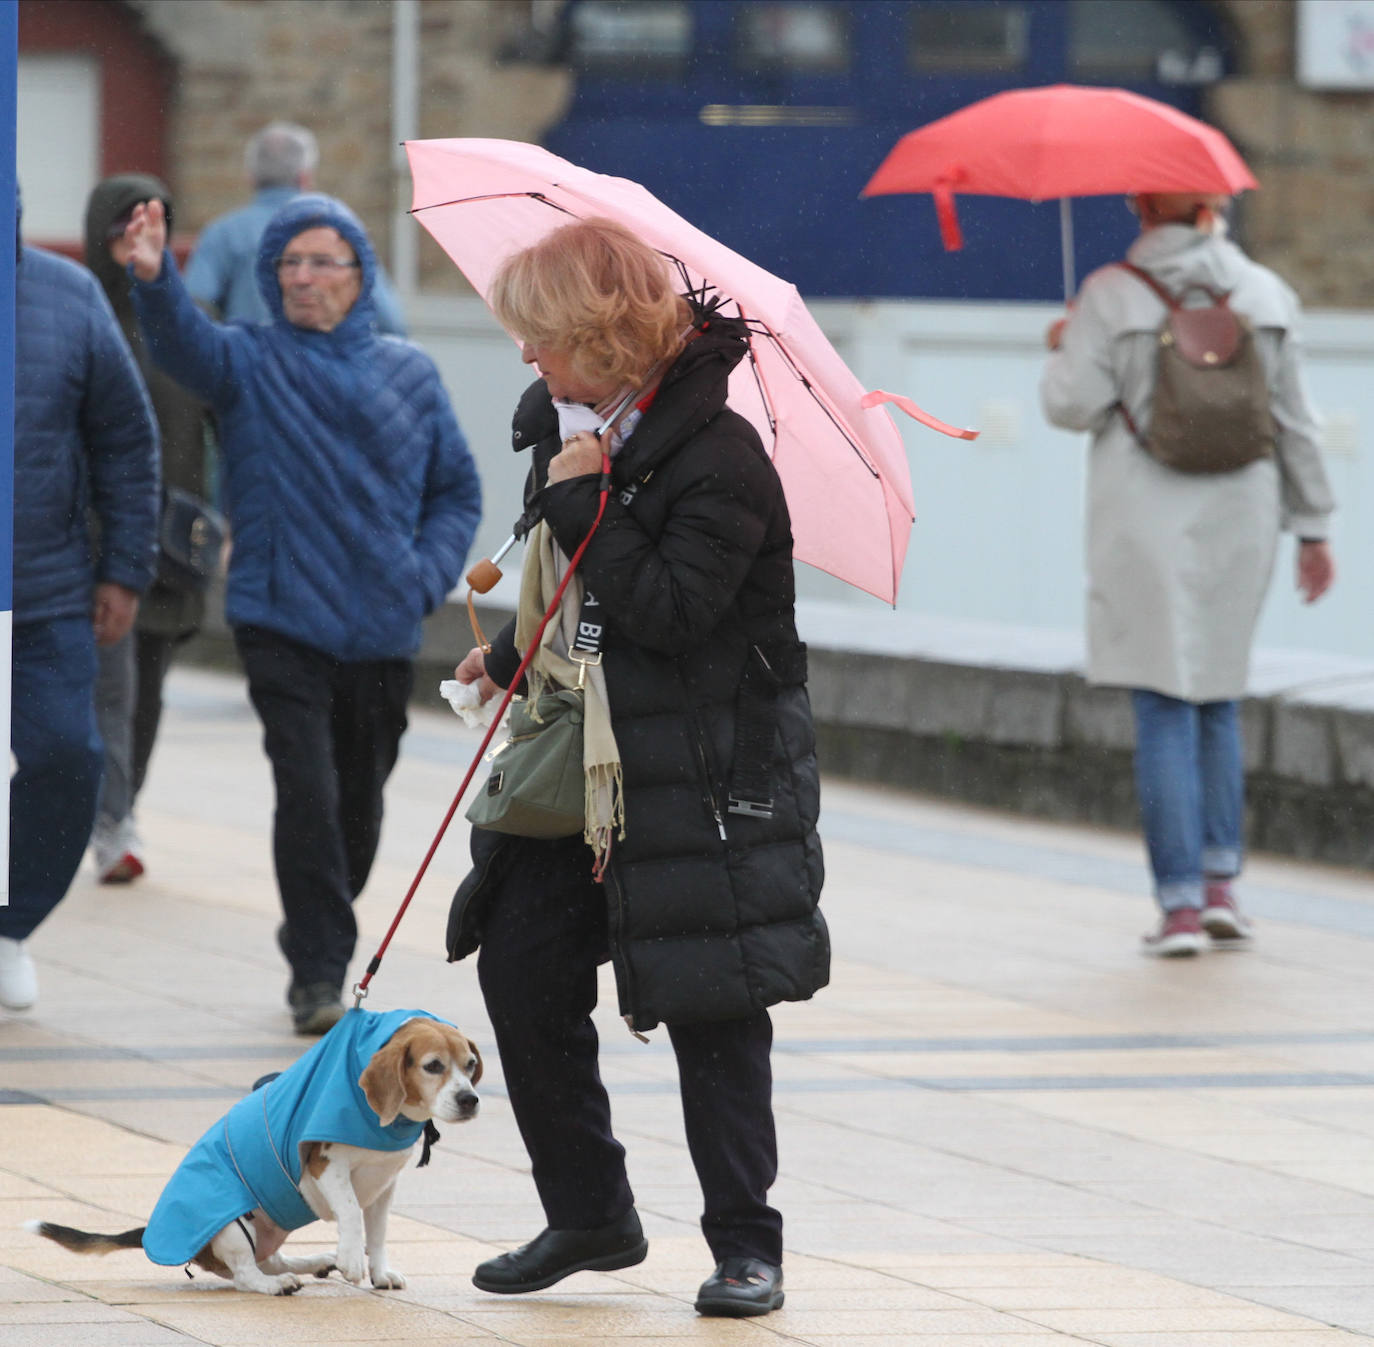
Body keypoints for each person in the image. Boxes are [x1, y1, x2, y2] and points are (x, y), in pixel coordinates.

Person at [446, 219, 827, 1318]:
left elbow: (665, 612)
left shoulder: (720, 458)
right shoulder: (569, 431)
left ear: (599, 333)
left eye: (540, 337)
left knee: (712, 1002)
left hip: (703, 773)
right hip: (582, 766)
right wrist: (513, 652)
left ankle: (748, 1245)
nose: (527, 359)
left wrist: (582, 498)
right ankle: (590, 1212)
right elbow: (581, 609)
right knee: (519, 968)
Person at [124, 191, 481, 1034]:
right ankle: (317, 971)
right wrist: (154, 277)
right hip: (279, 617)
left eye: (324, 262)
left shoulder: (411, 373)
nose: (304, 277)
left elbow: (456, 490)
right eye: (289, 262)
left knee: (358, 804)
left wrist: (424, 575)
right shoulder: (246, 360)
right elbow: (183, 343)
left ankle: (319, 915)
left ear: (361, 277)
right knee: (308, 792)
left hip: (384, 625)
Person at [1041, 191, 1335, 957]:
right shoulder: (1266, 293)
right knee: (1218, 694)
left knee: (1163, 698)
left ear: (1142, 207)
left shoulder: (1109, 293)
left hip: (1144, 517)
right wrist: (1315, 527)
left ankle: (1176, 908)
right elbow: (1295, 418)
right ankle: (1220, 888)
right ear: (1211, 210)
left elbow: (1071, 407)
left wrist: (1066, 342)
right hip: (1245, 509)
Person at [1, 188, 160, 1011]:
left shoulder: (67, 297)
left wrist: (125, 569)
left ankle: (10, 923)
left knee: (71, 757)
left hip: (44, 591)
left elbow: (127, 442)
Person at [84, 173, 215, 884]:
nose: (140, 241)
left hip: (171, 543)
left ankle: (119, 810)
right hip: (88, 542)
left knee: (148, 689)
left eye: (155, 224)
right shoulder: (79, 311)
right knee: (106, 688)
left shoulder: (189, 325)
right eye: (127, 226)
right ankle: (105, 817)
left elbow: (230, 421)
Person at [184, 121, 407, 335]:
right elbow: (390, 322)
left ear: (251, 177)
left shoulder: (223, 234)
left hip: (246, 370)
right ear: (305, 177)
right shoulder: (338, 231)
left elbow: (195, 308)